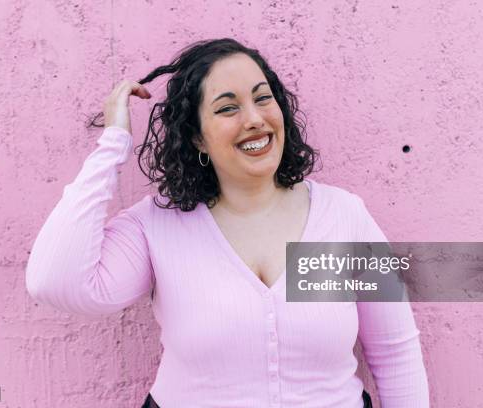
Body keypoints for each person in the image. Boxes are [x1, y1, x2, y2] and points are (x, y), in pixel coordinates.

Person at [25, 38, 429, 407]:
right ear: (197, 137)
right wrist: (113, 143)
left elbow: (395, 352)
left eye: (263, 99)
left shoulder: (343, 217)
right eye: (227, 108)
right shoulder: (157, 225)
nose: (253, 119)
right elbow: (54, 280)